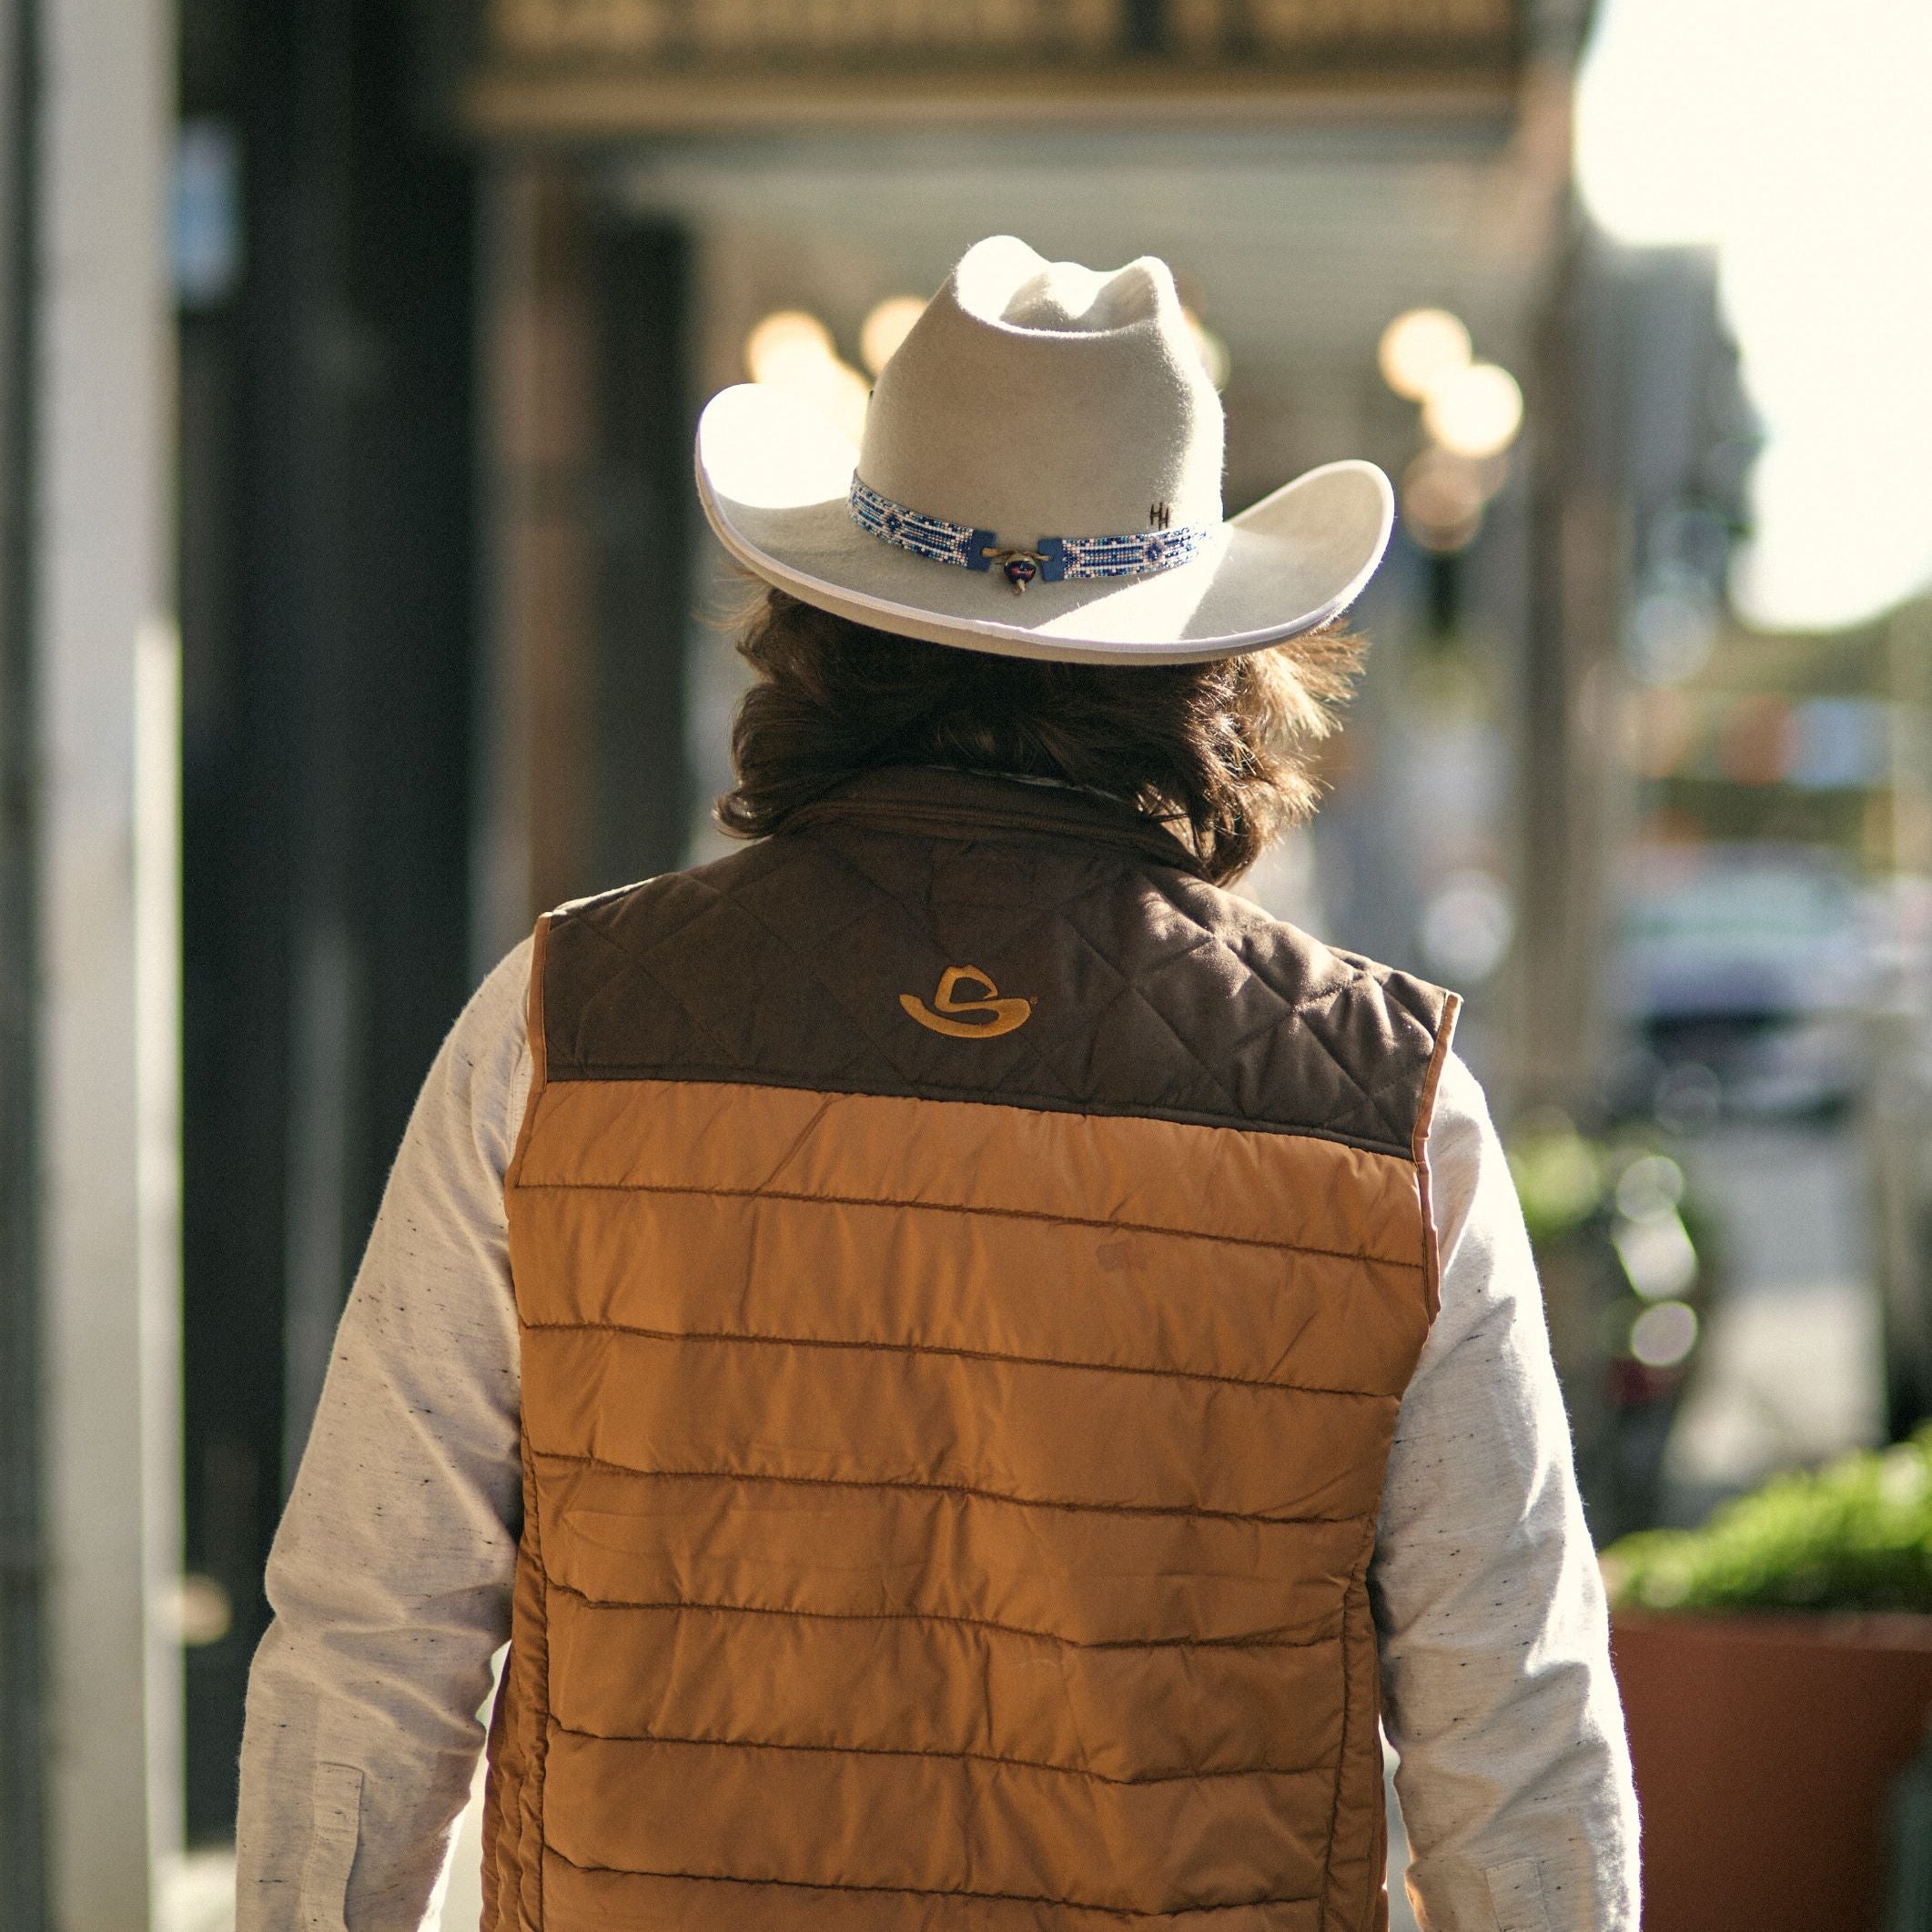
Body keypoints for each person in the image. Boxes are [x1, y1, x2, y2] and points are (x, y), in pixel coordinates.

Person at [237, 235, 1639, 1931]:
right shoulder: (1380, 1102)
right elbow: (1519, 1720)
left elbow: (374, 1630)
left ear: (823, 635)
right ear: (1215, 681)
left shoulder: (561, 1021)